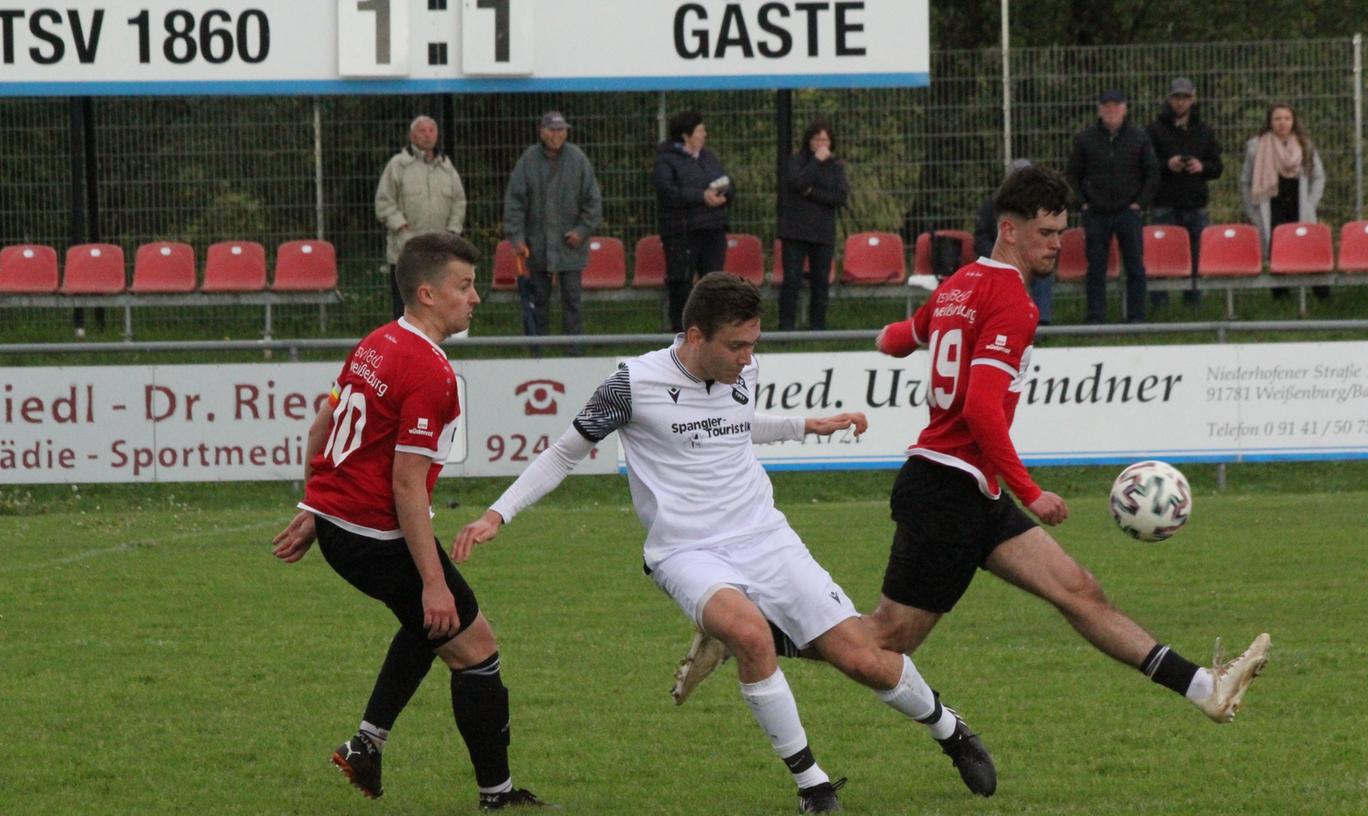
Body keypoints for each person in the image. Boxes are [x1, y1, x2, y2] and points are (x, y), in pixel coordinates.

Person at [671, 168, 1273, 761]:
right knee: (884, 643)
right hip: (946, 489)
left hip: (969, 487)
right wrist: (1030, 491)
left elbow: (901, 337)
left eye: (1061, 232)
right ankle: (749, 636)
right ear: (1009, 230)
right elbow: (982, 407)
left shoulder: (959, 284)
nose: (1056, 245)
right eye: (1045, 233)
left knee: (1079, 591)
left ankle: (1206, 689)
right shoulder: (1013, 301)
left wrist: (891, 339)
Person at [452, 272, 997, 813]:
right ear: (695, 337)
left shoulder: (744, 370)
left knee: (864, 659)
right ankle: (814, 786)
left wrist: (809, 425)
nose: (747, 356)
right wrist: (498, 513)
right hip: (685, 551)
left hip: (765, 536)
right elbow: (564, 453)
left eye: (753, 344)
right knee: (750, 635)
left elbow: (736, 423)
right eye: (736, 345)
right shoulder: (631, 385)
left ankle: (951, 731)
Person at [270, 232, 547, 811]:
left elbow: (324, 428)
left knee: (429, 628)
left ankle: (367, 744)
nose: (475, 298)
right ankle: (498, 799)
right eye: (463, 286)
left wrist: (315, 508)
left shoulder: (376, 342)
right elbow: (403, 483)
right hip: (376, 535)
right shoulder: (430, 370)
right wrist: (433, 578)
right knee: (475, 648)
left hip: (345, 530)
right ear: (427, 292)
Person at [503, 111, 603, 350]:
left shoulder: (579, 160)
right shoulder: (528, 160)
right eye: (551, 130)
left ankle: (573, 351)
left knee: (572, 301)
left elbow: (593, 202)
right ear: (542, 131)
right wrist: (516, 238)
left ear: (566, 132)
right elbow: (514, 204)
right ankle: (538, 352)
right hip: (536, 247)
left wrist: (581, 230)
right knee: (538, 301)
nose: (556, 135)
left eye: (560, 130)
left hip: (571, 247)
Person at [1067, 89, 1158, 323]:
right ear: (1099, 110)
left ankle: (1137, 316)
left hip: (1129, 212)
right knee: (1096, 268)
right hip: (1096, 213)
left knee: (1135, 267)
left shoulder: (1139, 137)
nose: (1111, 110)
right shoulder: (1085, 139)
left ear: (1125, 108)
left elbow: (1152, 173)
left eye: (1116, 106)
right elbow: (1072, 176)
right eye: (1106, 106)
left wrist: (1140, 203)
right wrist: (1083, 203)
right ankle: (1095, 317)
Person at [375, 116, 468, 320]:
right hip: (405, 251)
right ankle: (403, 350)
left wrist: (452, 231)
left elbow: (459, 201)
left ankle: (432, 349)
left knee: (436, 306)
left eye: (431, 131)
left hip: (439, 253)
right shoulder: (397, 165)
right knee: (406, 307)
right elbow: (384, 202)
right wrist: (401, 228)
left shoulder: (447, 166)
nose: (427, 135)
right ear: (411, 135)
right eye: (422, 131)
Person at [653, 111, 734, 333]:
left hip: (713, 228)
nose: (704, 134)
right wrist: (701, 197)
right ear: (686, 135)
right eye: (700, 130)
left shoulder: (708, 157)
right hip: (682, 231)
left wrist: (725, 194)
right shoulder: (666, 161)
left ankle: (712, 330)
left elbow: (726, 180)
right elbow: (667, 192)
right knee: (681, 282)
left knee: (714, 282)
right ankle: (680, 330)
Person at [1146, 77, 1223, 307]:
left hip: (1195, 202)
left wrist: (1202, 166)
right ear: (1170, 99)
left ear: (1193, 98)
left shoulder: (1205, 131)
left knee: (1196, 255)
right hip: (1164, 202)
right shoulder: (1154, 130)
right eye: (1177, 97)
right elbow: (1146, 165)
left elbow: (1217, 167)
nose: (1181, 102)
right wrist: (1167, 164)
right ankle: (1159, 303)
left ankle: (1194, 302)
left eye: (1185, 97)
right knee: (1160, 255)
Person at [1240, 104, 1327, 300]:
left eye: (1286, 118)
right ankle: (1281, 298)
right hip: (1272, 204)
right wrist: (1252, 211)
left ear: (1293, 121)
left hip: (1299, 204)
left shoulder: (1305, 145)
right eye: (1277, 119)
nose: (1282, 123)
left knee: (1309, 248)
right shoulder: (1256, 147)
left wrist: (1310, 204)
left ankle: (1322, 296)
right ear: (1270, 122)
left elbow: (1318, 177)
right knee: (1276, 250)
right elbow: (1245, 182)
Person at [778, 119, 848, 331]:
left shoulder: (836, 167)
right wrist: (816, 162)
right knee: (791, 281)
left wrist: (811, 193)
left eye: (825, 139)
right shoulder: (796, 161)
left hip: (823, 233)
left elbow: (839, 196)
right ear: (809, 141)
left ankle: (818, 328)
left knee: (821, 282)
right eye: (817, 139)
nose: (821, 143)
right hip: (795, 232)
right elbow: (797, 183)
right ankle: (786, 328)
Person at [975, 158, 1052, 322]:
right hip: (999, 260)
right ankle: (1003, 321)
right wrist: (999, 257)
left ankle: (1042, 321)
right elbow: (980, 238)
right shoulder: (991, 206)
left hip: (1028, 258)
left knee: (1042, 271)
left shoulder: (1042, 208)